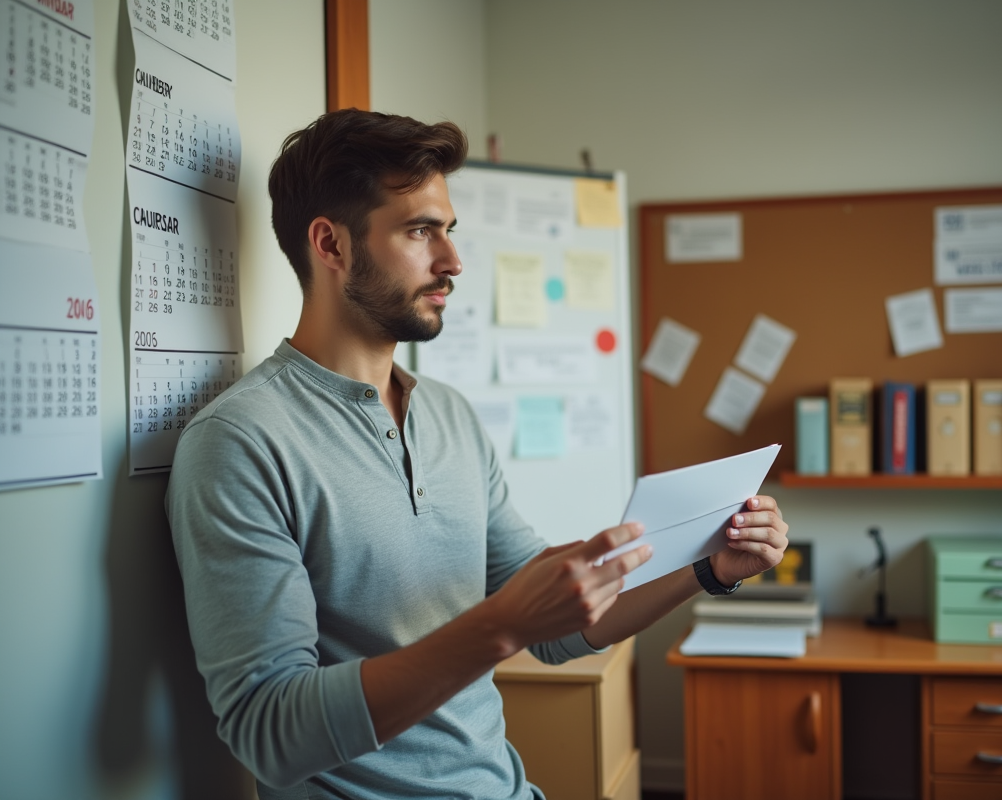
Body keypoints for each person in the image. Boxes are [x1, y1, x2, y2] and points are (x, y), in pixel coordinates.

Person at [166, 109, 789, 800]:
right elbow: (269, 732)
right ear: (331, 244)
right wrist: (502, 625)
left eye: (449, 231)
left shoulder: (450, 417)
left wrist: (707, 569)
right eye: (418, 230)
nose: (452, 261)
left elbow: (558, 630)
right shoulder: (240, 442)